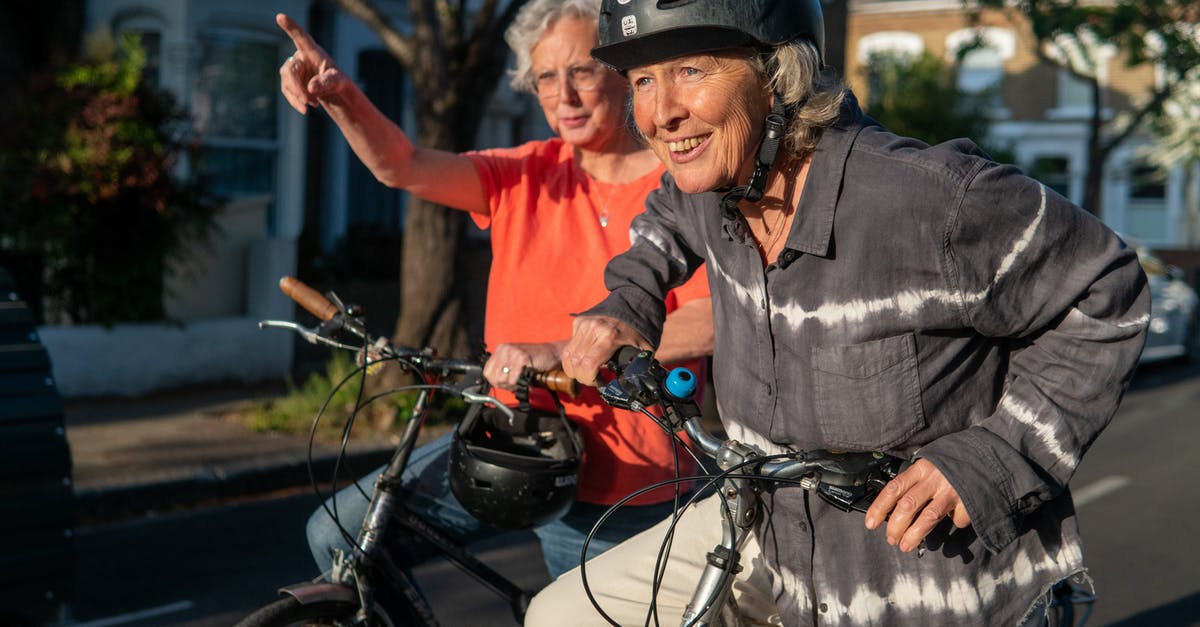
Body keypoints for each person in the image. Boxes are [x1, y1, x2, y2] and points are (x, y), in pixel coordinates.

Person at [530, 0, 1151, 625]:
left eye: (691, 70)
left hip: (927, 579)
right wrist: (630, 300)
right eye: (642, 80)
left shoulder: (929, 198)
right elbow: (666, 215)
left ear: (779, 77)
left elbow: (1106, 290)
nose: (661, 112)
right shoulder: (715, 180)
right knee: (562, 615)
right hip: (772, 527)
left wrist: (994, 456)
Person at [274, 0, 713, 581]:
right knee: (340, 534)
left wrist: (561, 349)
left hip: (627, 474)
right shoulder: (522, 173)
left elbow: (715, 318)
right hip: (509, 441)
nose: (565, 96)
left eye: (581, 71)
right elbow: (401, 166)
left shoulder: (682, 187)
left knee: (565, 618)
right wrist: (341, 98)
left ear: (621, 72)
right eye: (545, 79)